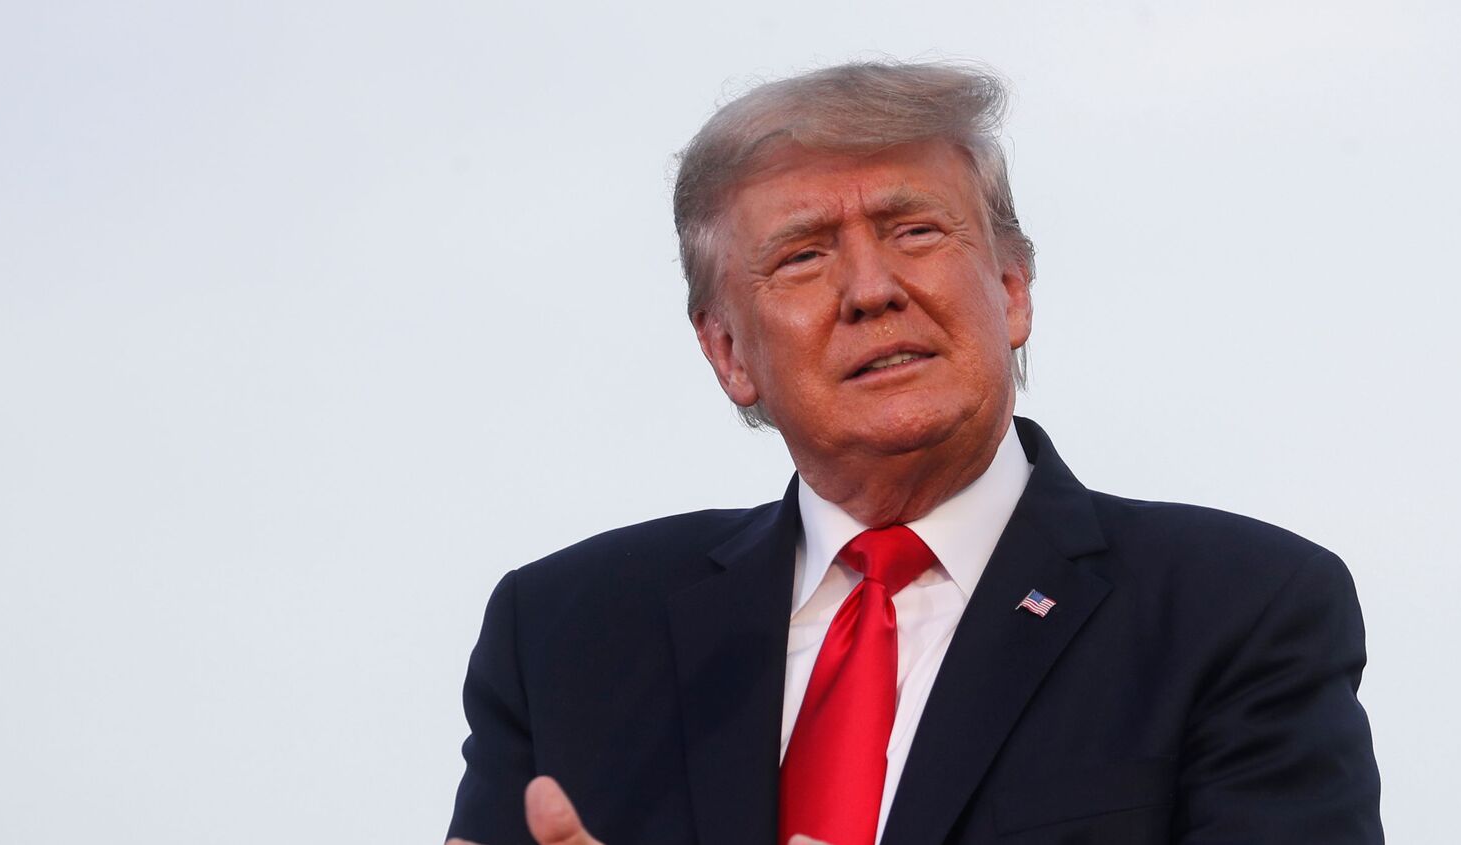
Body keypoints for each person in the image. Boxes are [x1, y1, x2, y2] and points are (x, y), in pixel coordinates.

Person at [446, 61, 1382, 845]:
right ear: (729, 352)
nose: (870, 289)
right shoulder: (567, 632)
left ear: (1012, 290)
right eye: (804, 256)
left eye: (915, 232)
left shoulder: (1240, 608)